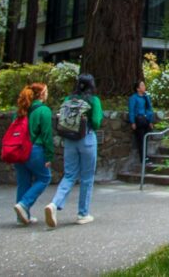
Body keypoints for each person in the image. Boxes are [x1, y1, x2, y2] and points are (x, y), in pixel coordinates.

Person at [44, 73, 102, 228]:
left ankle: (54, 204)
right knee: (87, 177)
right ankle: (83, 213)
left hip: (69, 140)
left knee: (69, 175)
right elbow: (96, 122)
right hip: (87, 138)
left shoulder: (67, 99)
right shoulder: (93, 100)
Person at [12, 82, 53, 226]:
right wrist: (49, 156)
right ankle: (24, 204)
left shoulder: (21, 110)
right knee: (44, 177)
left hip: (18, 149)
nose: (47, 94)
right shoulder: (44, 111)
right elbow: (47, 135)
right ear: (41, 94)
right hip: (35, 149)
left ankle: (22, 217)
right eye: (46, 91)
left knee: (23, 181)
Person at [128, 80, 156, 155]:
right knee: (141, 140)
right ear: (138, 89)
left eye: (144, 85)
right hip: (139, 120)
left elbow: (149, 109)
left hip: (146, 120)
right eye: (142, 85)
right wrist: (132, 122)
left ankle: (146, 157)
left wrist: (150, 121)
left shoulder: (146, 97)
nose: (144, 87)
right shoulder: (133, 98)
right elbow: (131, 110)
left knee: (146, 139)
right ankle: (143, 158)